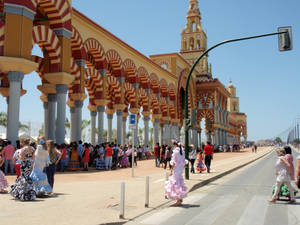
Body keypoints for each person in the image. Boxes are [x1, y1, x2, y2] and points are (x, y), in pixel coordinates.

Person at [165, 142, 188, 206]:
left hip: (176, 169)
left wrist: (171, 171)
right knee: (179, 183)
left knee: (175, 184)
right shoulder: (182, 152)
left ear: (175, 145)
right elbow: (184, 161)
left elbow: (174, 162)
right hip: (180, 169)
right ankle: (180, 199)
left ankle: (178, 200)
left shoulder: (175, 152)